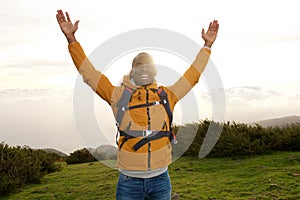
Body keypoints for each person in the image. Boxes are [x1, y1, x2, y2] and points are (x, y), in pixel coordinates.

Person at [56, 9, 218, 200]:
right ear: (132, 72)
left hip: (160, 178)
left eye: (148, 66)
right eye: (139, 67)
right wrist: (71, 40)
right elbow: (89, 74)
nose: (144, 70)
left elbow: (193, 75)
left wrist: (207, 46)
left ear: (154, 71)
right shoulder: (117, 95)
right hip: (128, 181)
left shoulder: (167, 95)